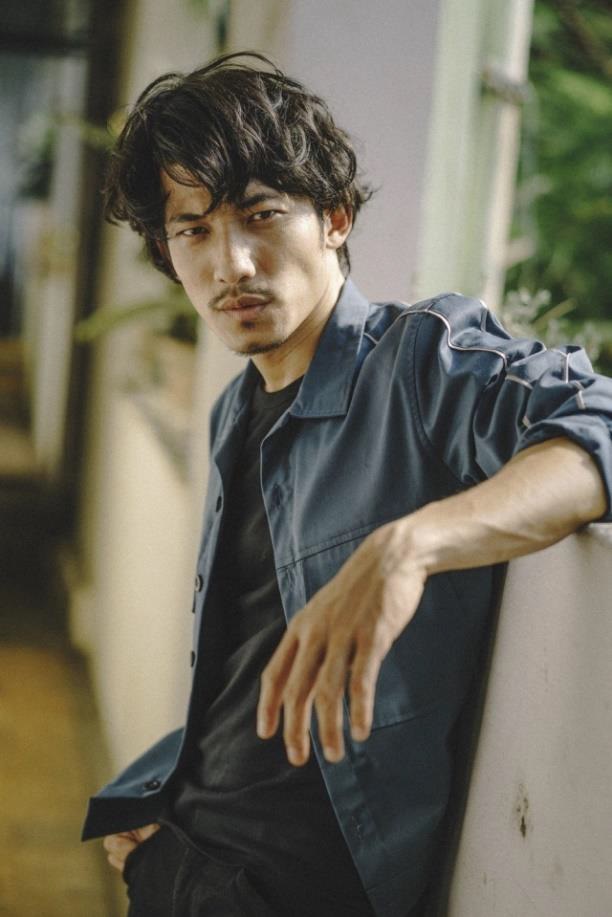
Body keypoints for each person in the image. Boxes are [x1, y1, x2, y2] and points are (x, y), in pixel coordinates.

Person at [82, 52, 612, 917]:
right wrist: (163, 804)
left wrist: (411, 545)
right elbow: (244, 668)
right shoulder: (234, 411)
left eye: (261, 215)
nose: (232, 264)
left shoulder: (417, 362)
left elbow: (600, 423)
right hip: (186, 858)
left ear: (335, 217)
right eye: (195, 230)